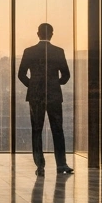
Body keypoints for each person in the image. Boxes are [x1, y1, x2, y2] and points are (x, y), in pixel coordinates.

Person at [17, 23, 71, 176]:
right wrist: (54, 83)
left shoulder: (29, 51)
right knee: (58, 130)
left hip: (35, 96)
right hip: (53, 95)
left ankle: (40, 165)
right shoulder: (58, 52)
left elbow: (21, 74)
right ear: (52, 34)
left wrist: (33, 85)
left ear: (37, 33)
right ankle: (61, 164)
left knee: (37, 130)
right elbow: (66, 76)